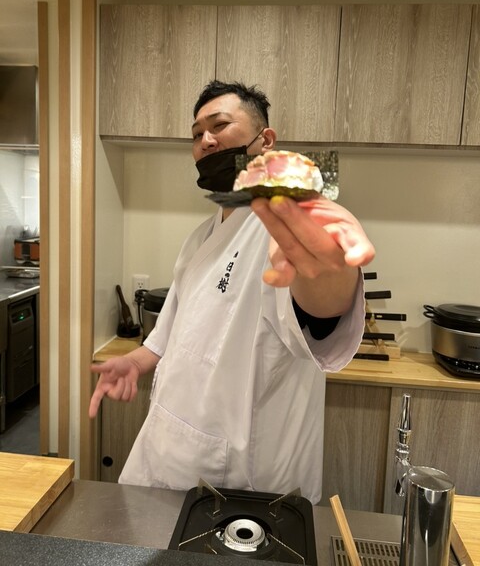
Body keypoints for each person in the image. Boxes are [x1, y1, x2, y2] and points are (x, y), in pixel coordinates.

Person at [89, 80, 375, 504]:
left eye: (219, 125)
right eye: (196, 134)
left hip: (243, 481)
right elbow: (171, 334)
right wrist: (134, 361)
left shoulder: (279, 231)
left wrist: (331, 274)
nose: (205, 140)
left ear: (266, 140)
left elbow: (318, 315)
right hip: (169, 449)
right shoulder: (199, 238)